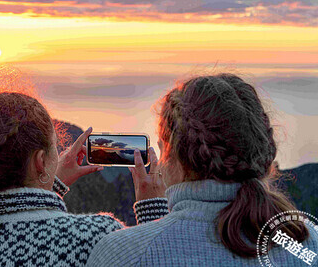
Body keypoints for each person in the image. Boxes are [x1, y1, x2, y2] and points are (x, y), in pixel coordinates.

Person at [0, 91, 168, 267]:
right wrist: (154, 212)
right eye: (55, 147)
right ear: (41, 161)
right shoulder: (95, 237)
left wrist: (48, 187)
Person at [87, 73, 318, 267]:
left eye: (163, 144)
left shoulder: (118, 254)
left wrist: (152, 225)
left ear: (173, 157)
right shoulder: (306, 244)